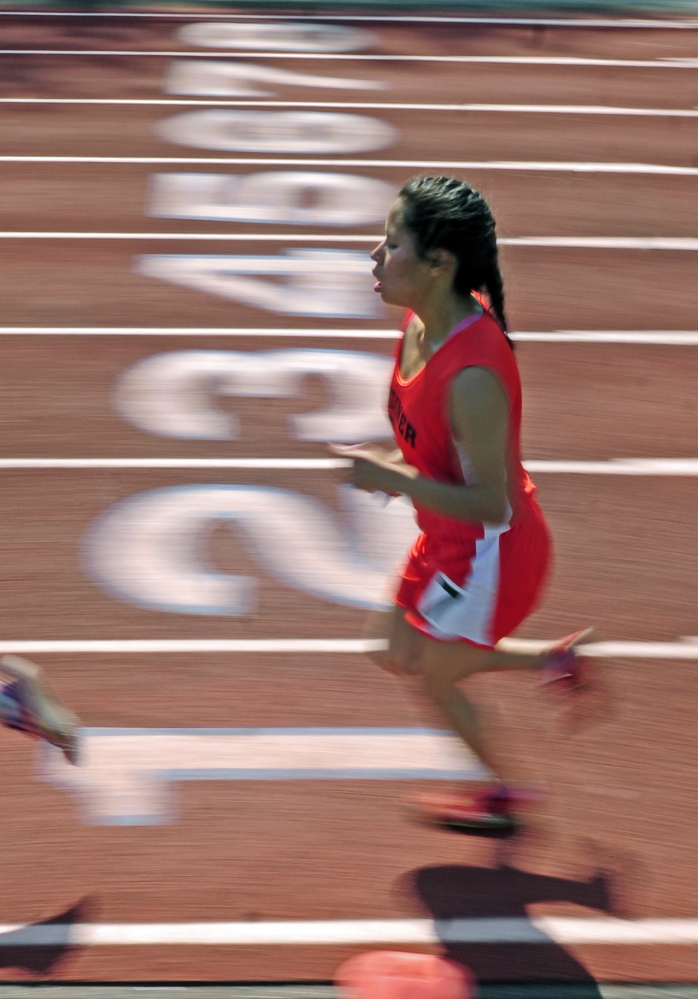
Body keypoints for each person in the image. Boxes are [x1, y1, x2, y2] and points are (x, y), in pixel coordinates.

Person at [336, 175, 594, 831]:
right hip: (449, 535)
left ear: (439, 263)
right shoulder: (421, 322)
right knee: (391, 647)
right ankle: (548, 660)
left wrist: (394, 480)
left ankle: (507, 792)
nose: (374, 255)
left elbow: (489, 501)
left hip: (489, 550)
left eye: (392, 243)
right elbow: (438, 449)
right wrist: (397, 464)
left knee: (432, 673)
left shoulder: (473, 374)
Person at [0, 654, 79, 764]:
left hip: (17, 707)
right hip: (17, 707)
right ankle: (60, 737)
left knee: (11, 666)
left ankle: (60, 737)